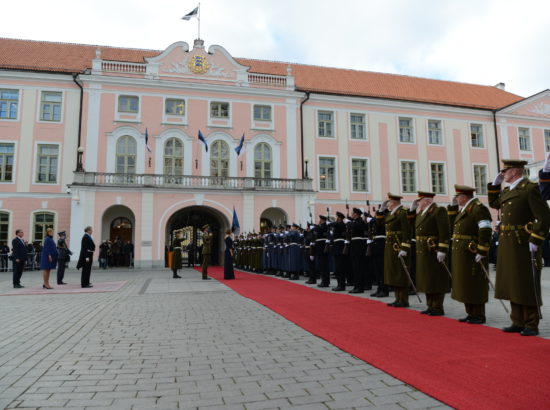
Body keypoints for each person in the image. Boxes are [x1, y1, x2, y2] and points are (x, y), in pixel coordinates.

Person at [488, 159, 550, 336]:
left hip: (523, 243)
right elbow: (495, 204)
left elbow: (544, 217)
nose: (502, 174)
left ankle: (531, 323)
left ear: (515, 171)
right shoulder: (509, 190)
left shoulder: (530, 189)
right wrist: (494, 186)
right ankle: (517, 320)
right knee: (512, 282)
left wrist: (536, 239)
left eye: (504, 171)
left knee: (526, 283)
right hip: (508, 243)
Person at [448, 185, 492, 324]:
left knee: (474, 283)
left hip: (472, 251)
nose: (456, 199)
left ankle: (479, 315)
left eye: (458, 197)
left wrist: (482, 250)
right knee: (465, 283)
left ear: (464, 197)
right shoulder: (465, 209)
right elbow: (452, 225)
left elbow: (485, 230)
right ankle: (470, 313)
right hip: (463, 253)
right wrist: (452, 207)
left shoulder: (478, 209)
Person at [413, 191, 451, 316]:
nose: (418, 203)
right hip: (423, 250)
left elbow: (444, 232)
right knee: (427, 279)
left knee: (436, 278)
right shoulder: (421, 213)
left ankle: (438, 307)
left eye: (420, 200)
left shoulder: (438, 211)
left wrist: (442, 249)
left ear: (427, 201)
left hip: (433, 250)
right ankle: (430, 305)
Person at [377, 193, 413, 307]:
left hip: (398, 246)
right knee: (394, 273)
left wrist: (405, 247)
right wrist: (380, 211)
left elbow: (407, 231)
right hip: (391, 246)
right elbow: (380, 224)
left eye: (389, 203)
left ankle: (404, 299)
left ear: (394, 203)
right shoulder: (391, 213)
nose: (388, 205)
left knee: (401, 273)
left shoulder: (402, 212)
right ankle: (398, 298)